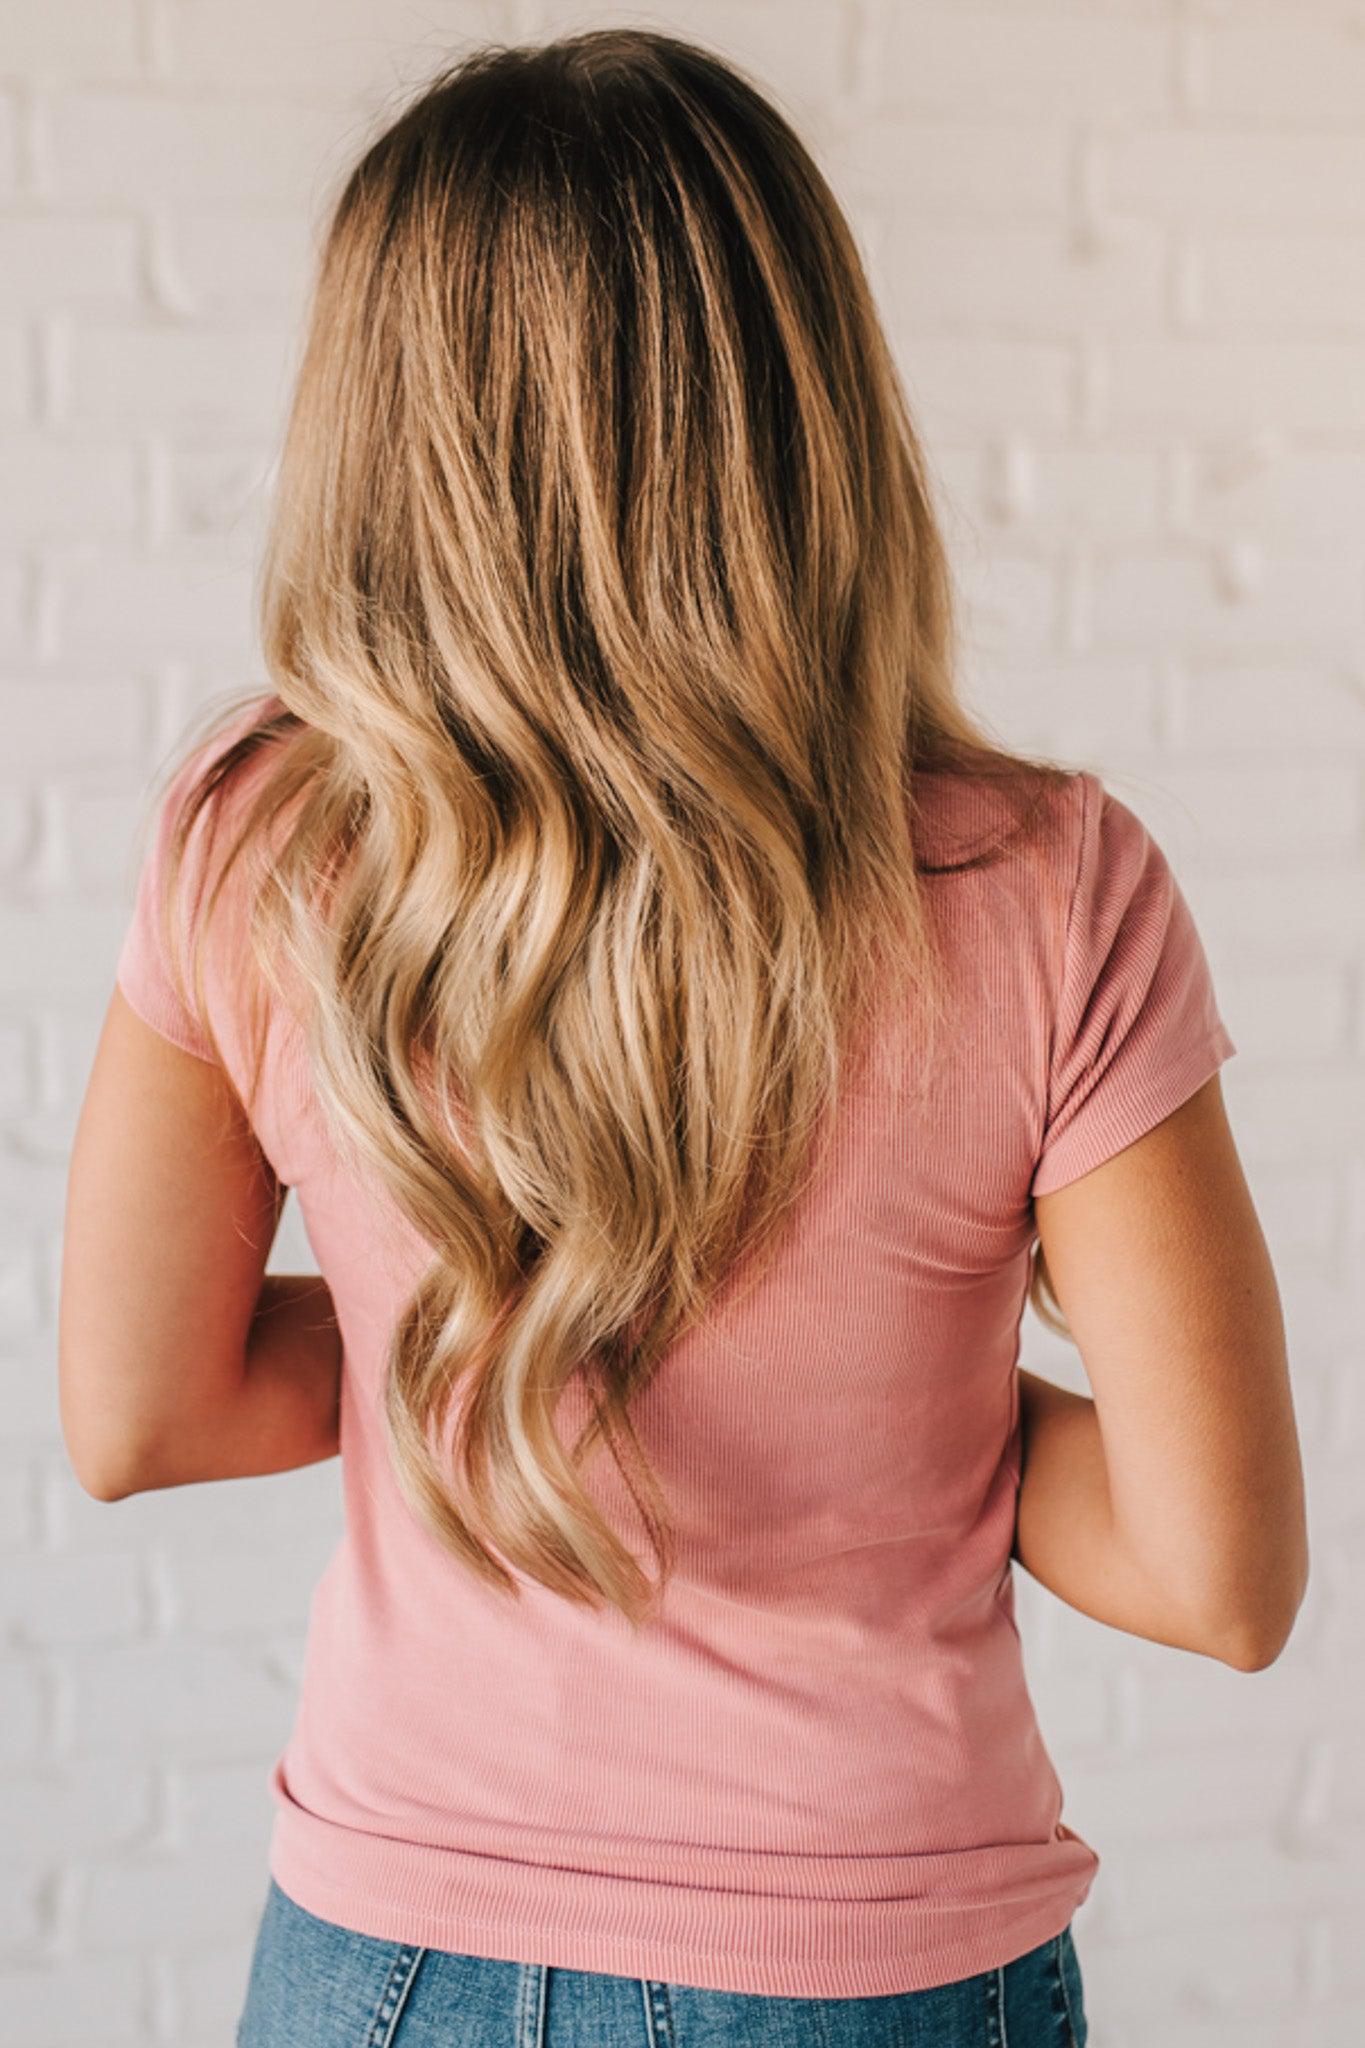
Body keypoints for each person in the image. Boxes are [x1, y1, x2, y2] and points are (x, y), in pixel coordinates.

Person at [59, 27, 1308, 2048]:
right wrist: (895, 1402)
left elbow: (140, 1411)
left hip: (387, 1959)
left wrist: (461, 1339)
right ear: (805, 407)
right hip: (876, 1968)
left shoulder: (255, 845)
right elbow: (1210, 1571)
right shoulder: (1046, 884)